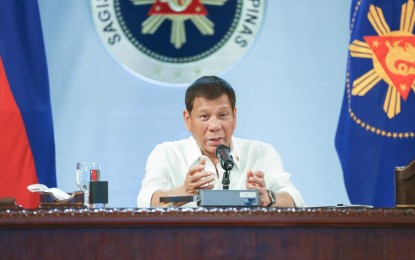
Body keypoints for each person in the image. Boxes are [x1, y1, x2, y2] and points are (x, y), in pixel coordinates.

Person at [137, 76, 304, 207]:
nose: (214, 126)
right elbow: (147, 202)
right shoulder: (166, 155)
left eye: (223, 115)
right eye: (204, 117)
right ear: (188, 120)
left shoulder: (261, 153)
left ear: (235, 116)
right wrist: (184, 192)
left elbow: (295, 200)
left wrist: (268, 197)